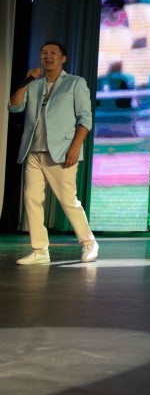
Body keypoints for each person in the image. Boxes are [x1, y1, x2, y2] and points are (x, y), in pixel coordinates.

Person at [7, 41, 99, 265]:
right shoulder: (34, 85)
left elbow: (85, 119)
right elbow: (14, 106)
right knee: (31, 199)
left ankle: (89, 242)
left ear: (63, 58)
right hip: (33, 150)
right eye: (44, 53)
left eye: (53, 53)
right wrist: (26, 82)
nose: (48, 56)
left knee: (68, 200)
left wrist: (75, 147)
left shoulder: (75, 83)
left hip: (61, 151)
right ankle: (40, 250)